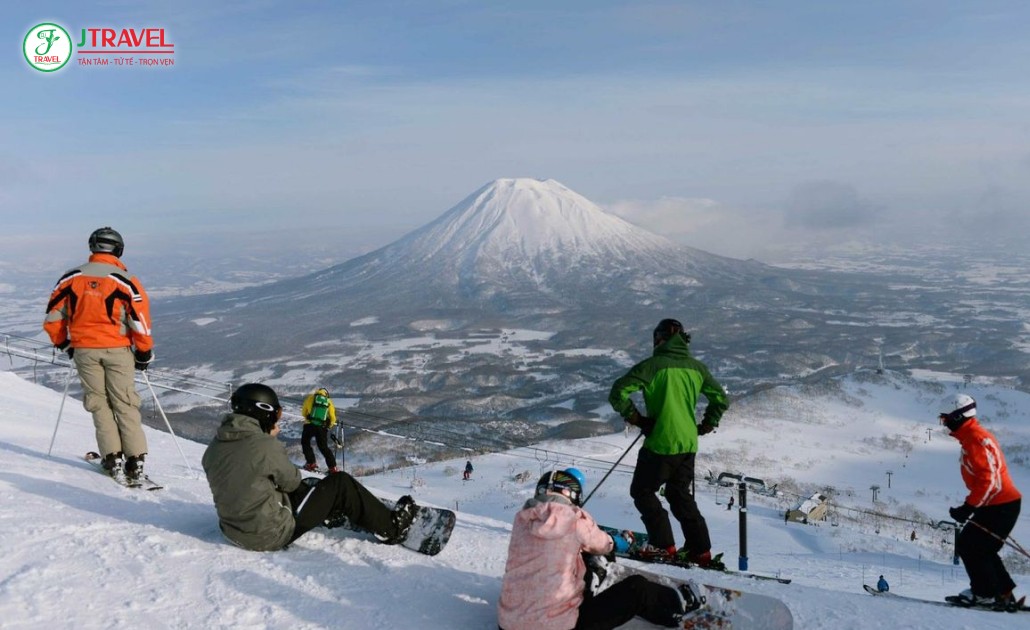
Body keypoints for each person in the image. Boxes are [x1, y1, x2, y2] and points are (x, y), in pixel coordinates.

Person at [202, 383, 418, 552]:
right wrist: (270, 440)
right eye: (276, 414)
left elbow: (244, 479)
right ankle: (393, 528)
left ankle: (330, 512)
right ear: (264, 412)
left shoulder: (214, 447)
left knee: (310, 486)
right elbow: (291, 480)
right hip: (268, 535)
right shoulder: (264, 445)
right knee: (340, 483)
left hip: (232, 530)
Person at [498, 468, 702, 630]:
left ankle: (592, 578)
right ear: (573, 496)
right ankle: (678, 605)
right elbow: (604, 544)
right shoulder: (575, 520)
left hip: (508, 624)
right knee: (637, 588)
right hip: (561, 626)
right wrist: (618, 543)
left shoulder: (521, 521)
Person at [608, 318, 729, 566]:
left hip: (662, 441)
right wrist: (707, 424)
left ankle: (663, 546)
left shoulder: (654, 366)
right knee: (678, 493)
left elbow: (618, 391)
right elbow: (720, 400)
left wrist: (637, 418)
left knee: (642, 491)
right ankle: (700, 550)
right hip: (688, 442)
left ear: (659, 339)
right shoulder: (697, 368)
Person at [43, 227, 154, 483]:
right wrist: (144, 352)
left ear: (92, 247)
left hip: (84, 351)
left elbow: (52, 318)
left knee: (98, 403)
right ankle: (135, 461)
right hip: (118, 350)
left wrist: (65, 345)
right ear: (118, 249)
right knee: (125, 403)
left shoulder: (69, 279)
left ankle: (112, 457)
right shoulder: (125, 280)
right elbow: (140, 321)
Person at [938, 394, 1022, 611]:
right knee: (980, 548)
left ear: (959, 416)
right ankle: (1002, 594)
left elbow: (990, 480)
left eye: (946, 418)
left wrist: (969, 507)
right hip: (996, 504)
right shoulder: (970, 437)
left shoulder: (975, 438)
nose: (944, 423)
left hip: (1000, 505)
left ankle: (985, 595)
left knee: (971, 546)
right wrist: (971, 506)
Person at [300, 387, 338, 473]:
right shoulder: (328, 401)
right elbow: (333, 418)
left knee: (305, 442)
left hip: (309, 425)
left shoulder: (310, 398)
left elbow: (303, 412)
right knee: (323, 447)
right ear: (326, 394)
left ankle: (311, 464)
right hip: (322, 427)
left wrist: (308, 417)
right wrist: (329, 426)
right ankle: (333, 468)